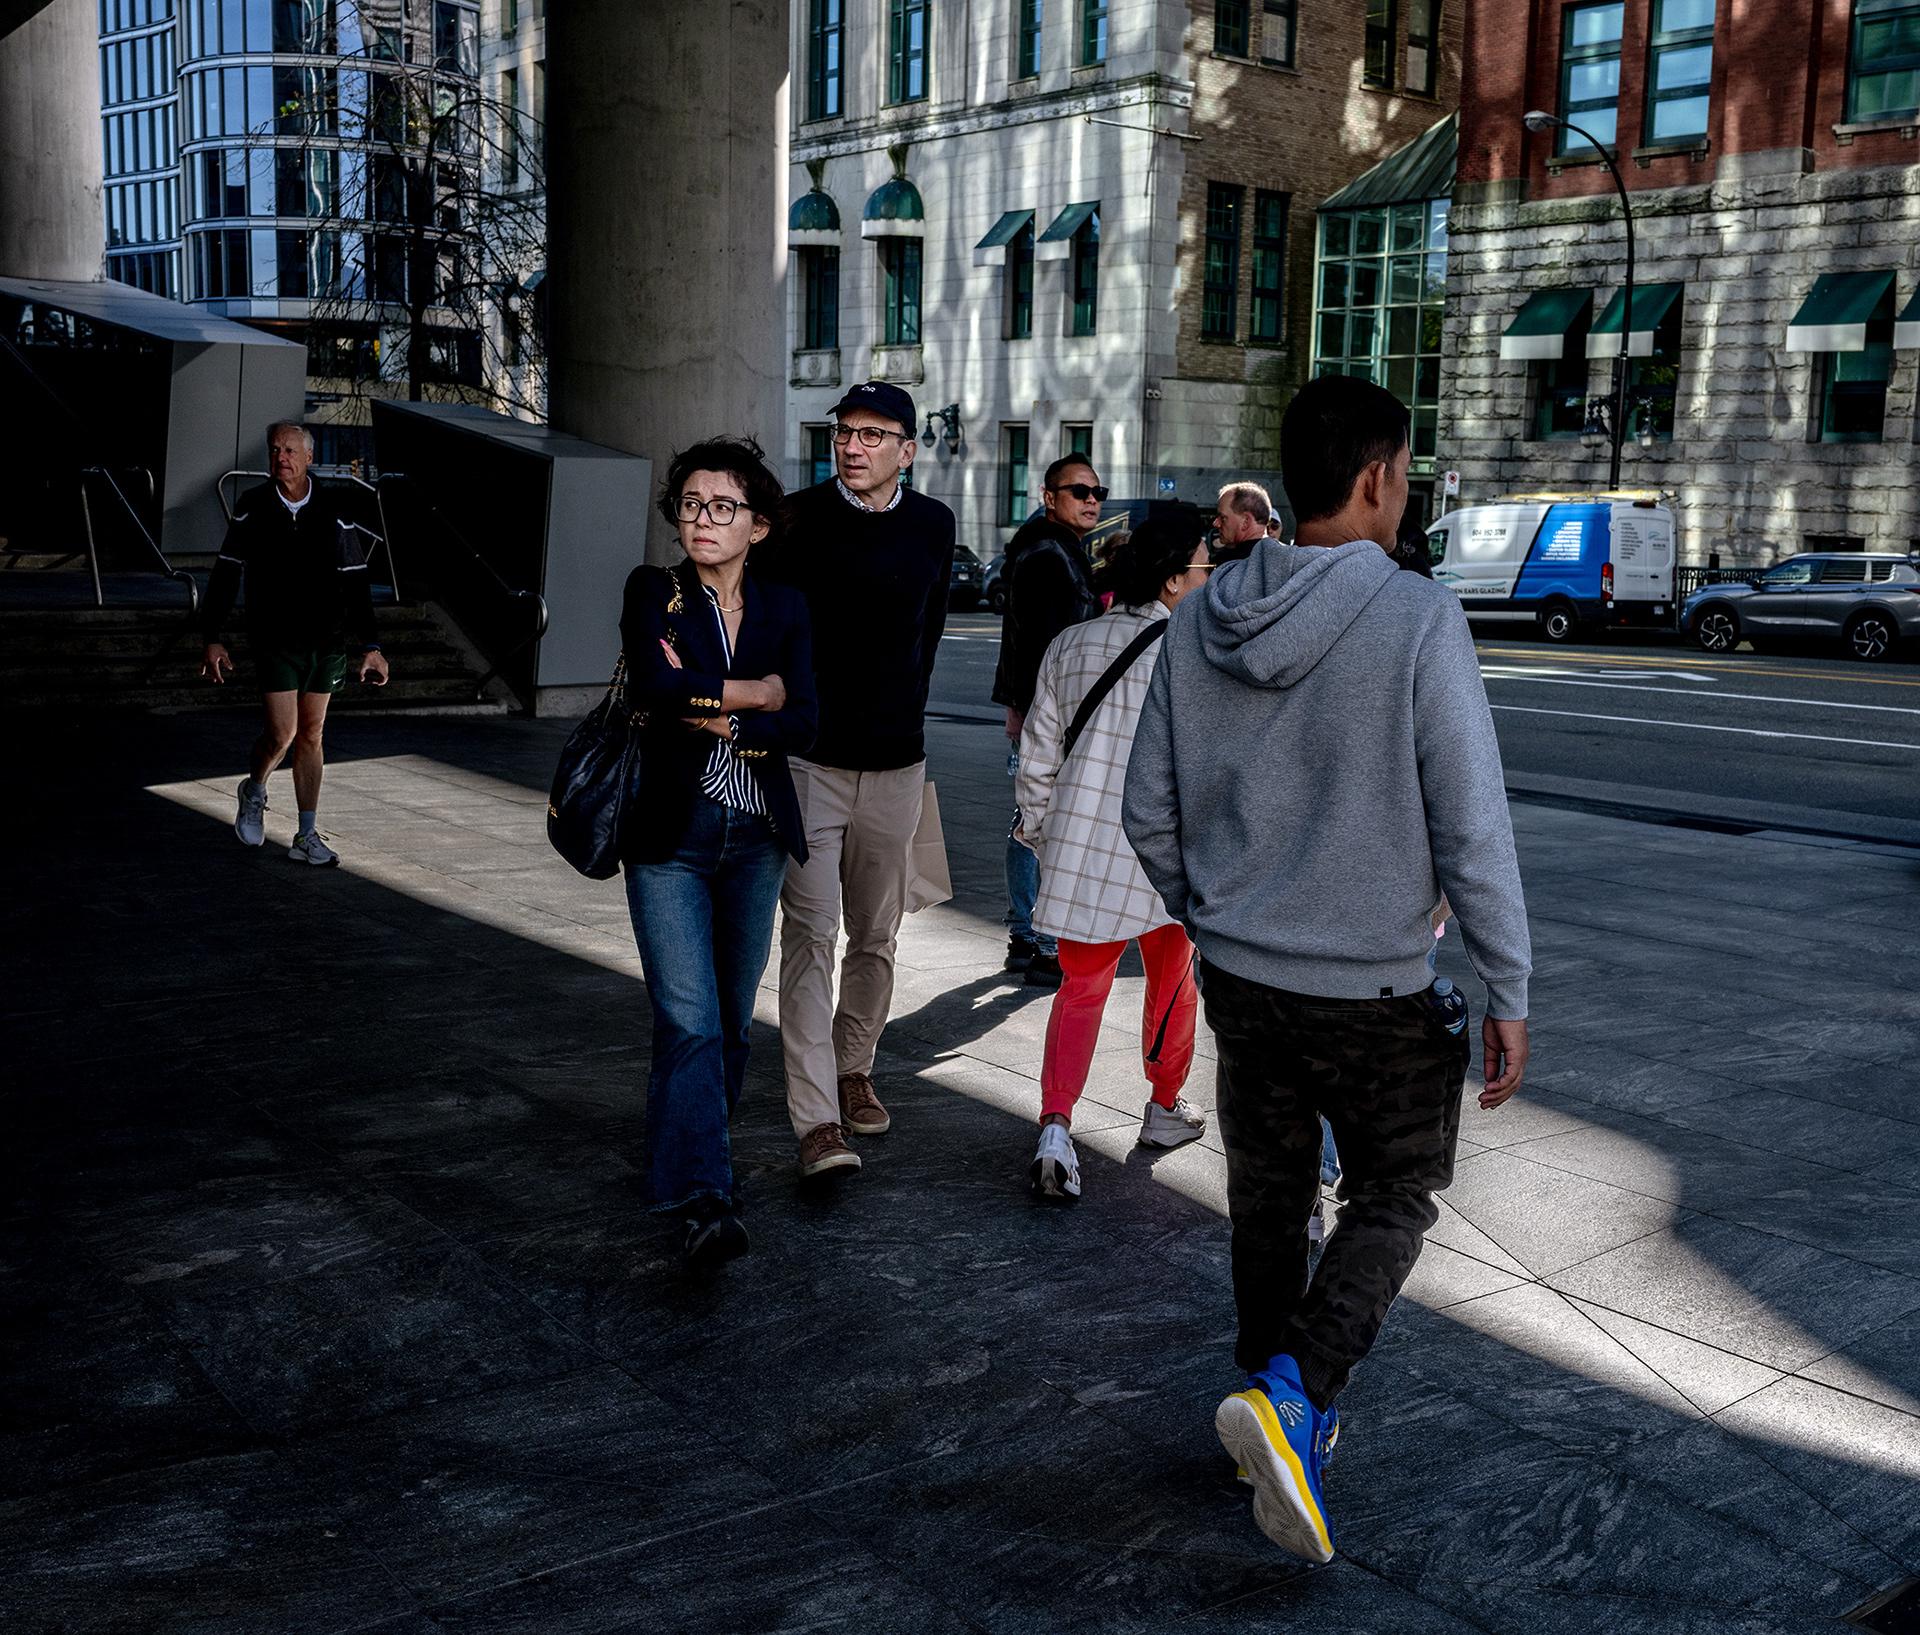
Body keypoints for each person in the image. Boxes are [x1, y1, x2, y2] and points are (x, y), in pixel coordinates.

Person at [1122, 374, 1533, 1565]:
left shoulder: (1200, 616)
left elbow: (1150, 806)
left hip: (1243, 977)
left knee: (1269, 1193)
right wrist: (1508, 984)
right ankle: (1297, 1400)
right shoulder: (1416, 616)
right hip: (1373, 985)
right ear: (1373, 478)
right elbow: (1472, 825)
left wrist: (1217, 914)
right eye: (1403, 474)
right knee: (1396, 1192)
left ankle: (1258, 1398)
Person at [618, 437, 817, 1270]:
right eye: (691, 504)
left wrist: (724, 714)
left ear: (758, 526)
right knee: (689, 1016)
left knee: (728, 1022)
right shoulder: (653, 593)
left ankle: (689, 1156)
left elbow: (802, 717)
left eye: (722, 506)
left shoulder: (787, 607)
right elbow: (653, 689)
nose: (702, 519)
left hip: (756, 839)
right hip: (670, 836)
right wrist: (752, 691)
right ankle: (707, 1193)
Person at [752, 382, 955, 1179]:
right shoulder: (796, 521)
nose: (852, 444)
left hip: (898, 763)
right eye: (844, 431)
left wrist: (905, 714)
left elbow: (926, 636)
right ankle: (816, 1119)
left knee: (876, 933)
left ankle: (852, 1065)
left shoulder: (934, 525)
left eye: (873, 433)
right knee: (810, 934)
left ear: (908, 448)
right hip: (809, 763)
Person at [1015, 511, 1213, 1200]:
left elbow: (1036, 757)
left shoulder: (1070, 644)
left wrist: (1044, 834)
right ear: (1170, 580)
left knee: (1081, 989)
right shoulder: (1191, 652)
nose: (1207, 579)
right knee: (1172, 982)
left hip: (1084, 848)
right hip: (1166, 853)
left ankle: (1055, 1125)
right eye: (1201, 569)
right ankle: (1163, 1106)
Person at [201, 421, 389, 866]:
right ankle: (255, 788)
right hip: (274, 639)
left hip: (326, 642)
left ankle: (306, 834)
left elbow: (356, 580)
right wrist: (212, 637)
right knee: (282, 733)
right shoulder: (252, 506)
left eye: (288, 450)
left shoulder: (335, 509)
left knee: (312, 733)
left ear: (308, 458)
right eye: (274, 450)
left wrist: (372, 645)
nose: (279, 457)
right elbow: (227, 573)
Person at [990, 454, 1106, 988]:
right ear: (1049, 495)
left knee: (1031, 820)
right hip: (1049, 719)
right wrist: (1038, 720)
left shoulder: (1058, 550)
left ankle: (1026, 935)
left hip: (1044, 716)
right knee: (1039, 824)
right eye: (1078, 491)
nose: (1091, 500)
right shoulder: (1046, 556)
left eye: (1096, 492)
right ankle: (1036, 940)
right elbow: (1042, 650)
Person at [1211, 481, 1274, 556]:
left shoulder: (1225, 562)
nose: (1216, 524)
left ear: (1245, 521)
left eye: (1223, 517)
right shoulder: (1287, 558)